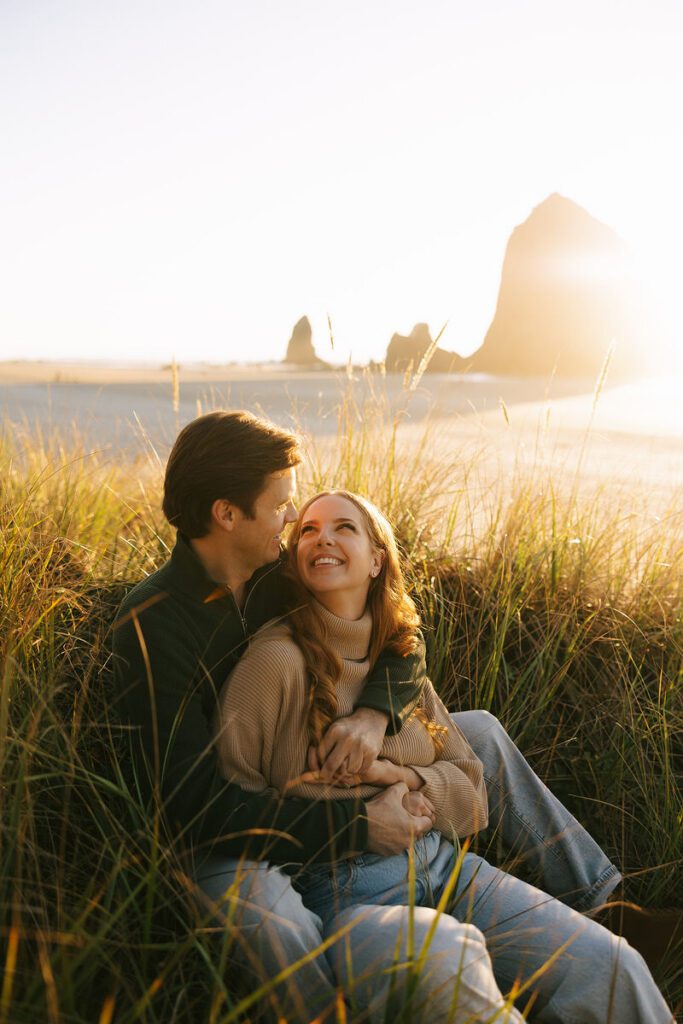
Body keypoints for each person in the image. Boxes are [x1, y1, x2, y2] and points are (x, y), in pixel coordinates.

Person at [111, 410, 661, 1021]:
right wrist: (358, 826)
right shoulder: (157, 624)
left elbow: (399, 639)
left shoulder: (274, 573)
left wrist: (375, 718)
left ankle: (601, 906)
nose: (297, 524)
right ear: (226, 513)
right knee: (272, 913)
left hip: (396, 824)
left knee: (475, 734)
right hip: (238, 824)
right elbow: (193, 802)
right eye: (283, 506)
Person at [214, 489, 675, 1023]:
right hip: (348, 896)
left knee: (612, 965)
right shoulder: (273, 664)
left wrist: (403, 776)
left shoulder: (398, 661)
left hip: (446, 869)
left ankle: (614, 914)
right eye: (309, 530)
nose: (323, 539)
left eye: (344, 527)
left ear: (377, 559)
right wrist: (354, 824)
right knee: (448, 960)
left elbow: (472, 789)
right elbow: (231, 810)